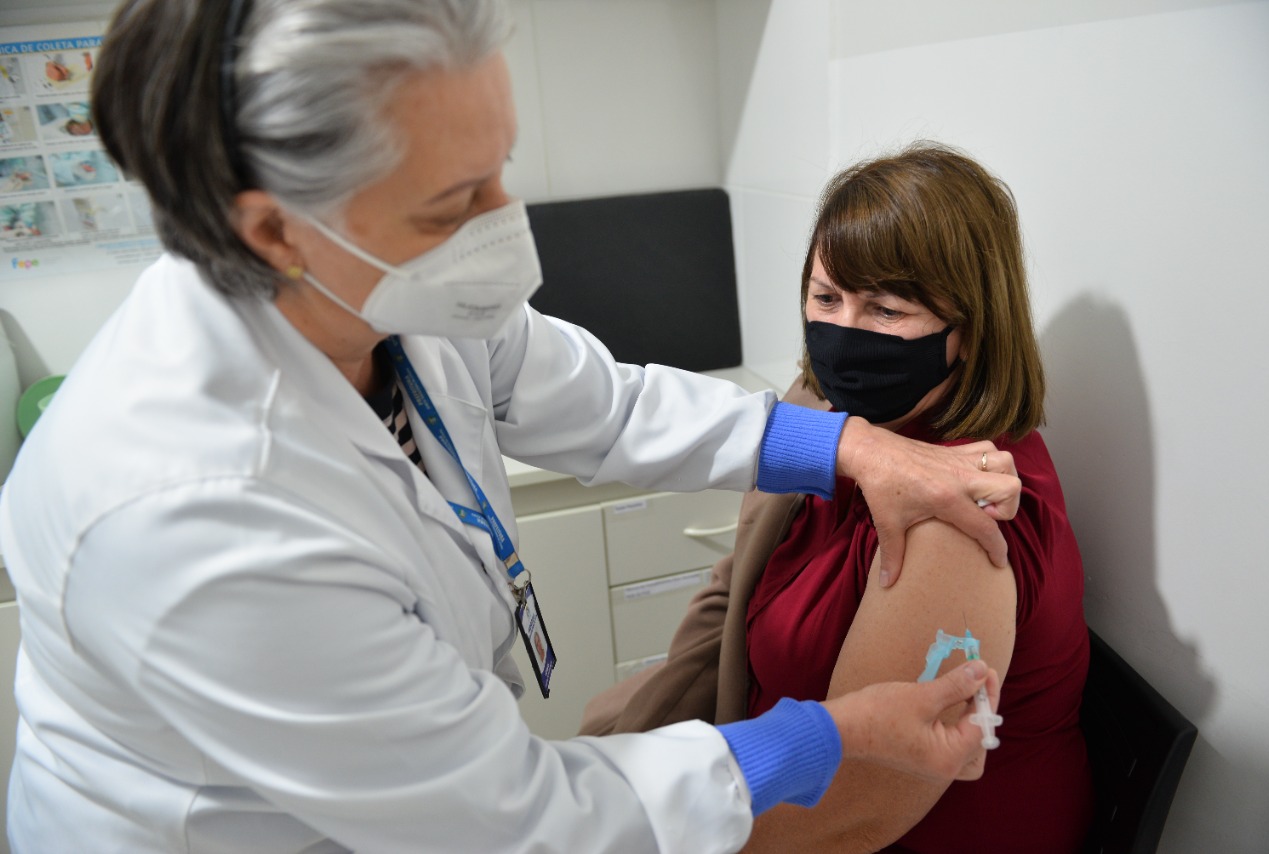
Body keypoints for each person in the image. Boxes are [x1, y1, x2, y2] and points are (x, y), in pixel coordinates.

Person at [0, 4, 1019, 852]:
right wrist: (821, 739)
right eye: (455, 202)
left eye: (501, 167)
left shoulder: (381, 295)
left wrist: (846, 444)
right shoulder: (194, 510)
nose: (506, 222)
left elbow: (606, 405)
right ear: (273, 230)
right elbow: (515, 818)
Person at [582, 144, 1093, 853]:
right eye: (826, 297)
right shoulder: (828, 421)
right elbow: (733, 593)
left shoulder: (957, 512)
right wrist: (644, 740)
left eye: (886, 309)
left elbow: (855, 808)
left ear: (971, 330)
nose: (843, 333)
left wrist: (637, 829)